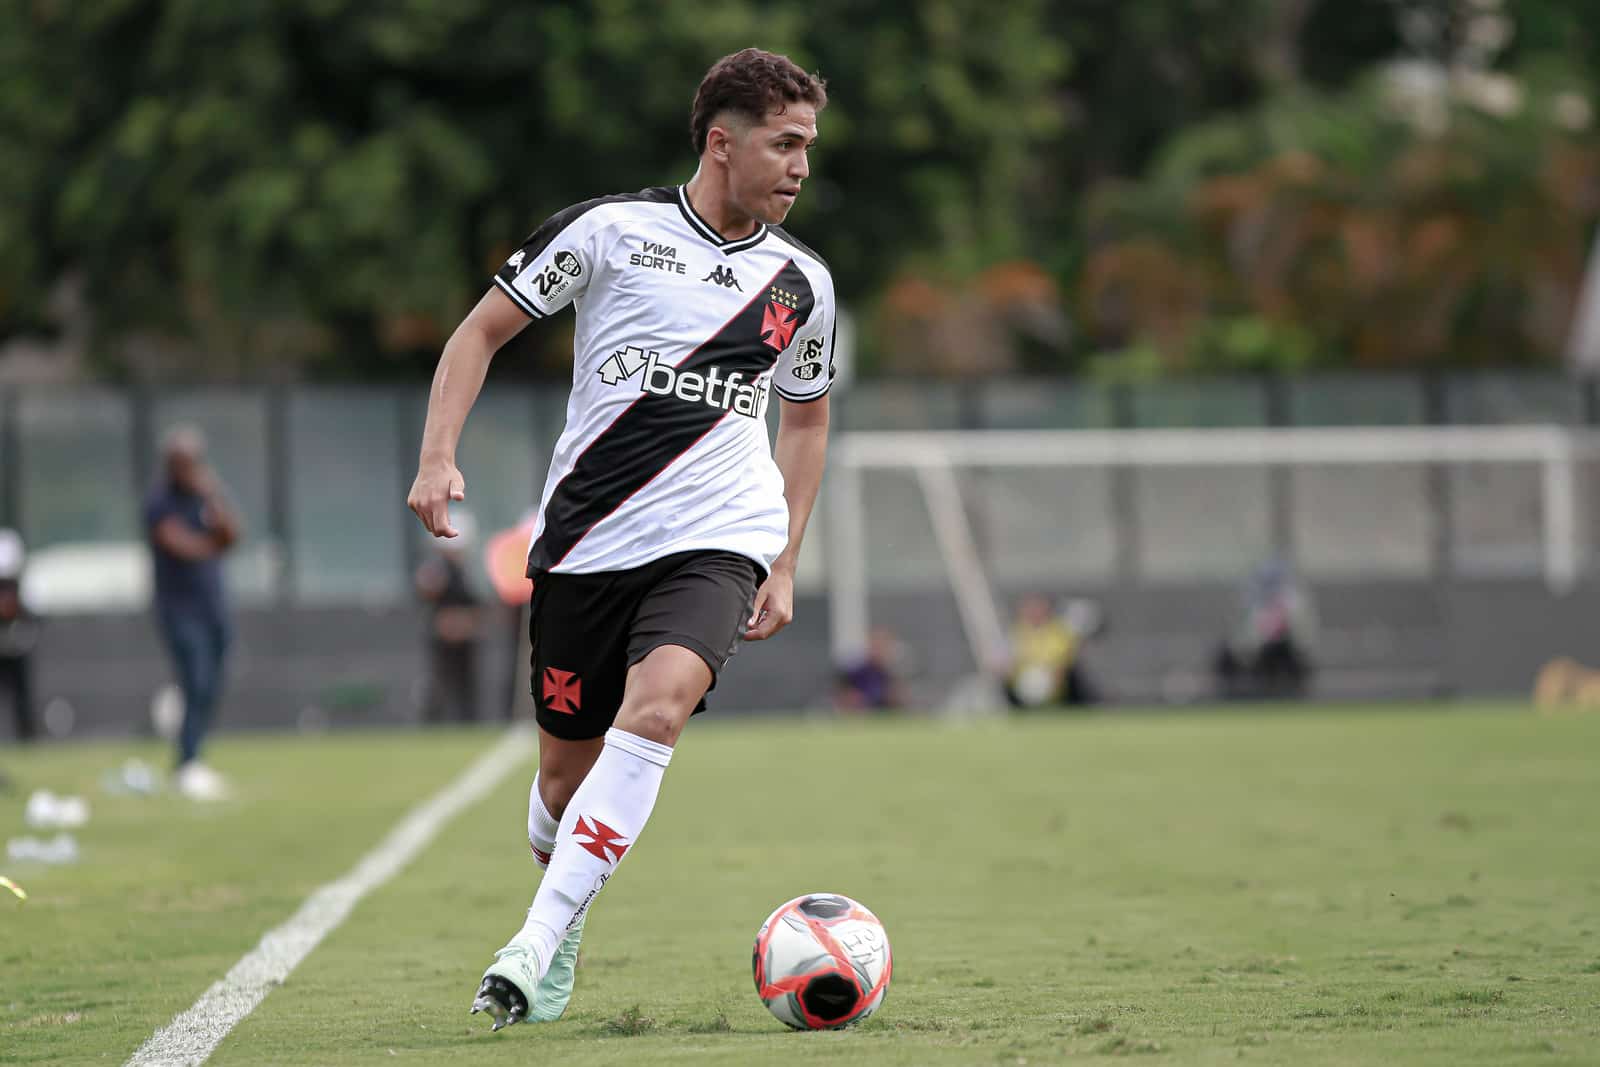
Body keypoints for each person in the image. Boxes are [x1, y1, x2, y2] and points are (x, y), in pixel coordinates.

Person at [406, 48, 834, 1031]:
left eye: (809, 146)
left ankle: (533, 942)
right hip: (586, 547)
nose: (802, 165)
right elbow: (476, 334)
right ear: (723, 143)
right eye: (786, 143)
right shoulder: (608, 233)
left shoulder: (801, 285)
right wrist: (437, 458)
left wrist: (786, 554)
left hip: (718, 542)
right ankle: (566, 910)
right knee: (562, 775)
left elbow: (804, 420)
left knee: (657, 710)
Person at [145, 427, 242, 800]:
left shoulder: (206, 497)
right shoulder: (160, 502)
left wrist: (214, 498)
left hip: (212, 605)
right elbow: (181, 546)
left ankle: (194, 756)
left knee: (212, 683)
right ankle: (187, 761)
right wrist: (213, 544)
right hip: (178, 609)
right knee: (195, 680)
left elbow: (233, 535)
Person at [413, 510, 484, 723]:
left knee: (467, 686)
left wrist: (465, 623)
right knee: (438, 685)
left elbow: (477, 606)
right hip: (440, 639)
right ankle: (432, 723)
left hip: (465, 639)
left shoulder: (468, 574)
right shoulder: (435, 570)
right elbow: (425, 594)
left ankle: (468, 723)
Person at [1214, 558, 1315, 701]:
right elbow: (1251, 633)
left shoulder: (1289, 601)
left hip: (1282, 649)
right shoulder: (1256, 604)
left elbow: (1296, 627)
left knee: (1280, 655)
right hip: (1262, 649)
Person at [1002, 594, 1101, 708]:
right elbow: (1008, 662)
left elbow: (1064, 660)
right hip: (1022, 682)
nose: (1034, 612)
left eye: (1038, 608)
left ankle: (1075, 706)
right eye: (1030, 608)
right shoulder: (1015, 634)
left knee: (1074, 674)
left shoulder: (1060, 632)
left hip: (1054, 680)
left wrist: (1052, 674)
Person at [0, 529, 40, 742]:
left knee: (21, 694)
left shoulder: (24, 594)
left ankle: (27, 736)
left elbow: (33, 620)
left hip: (15, 649)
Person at [834, 626, 909, 712]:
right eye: (876, 644)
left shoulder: (892, 672)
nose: (880, 649)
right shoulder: (855, 670)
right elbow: (842, 696)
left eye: (884, 645)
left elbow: (902, 701)